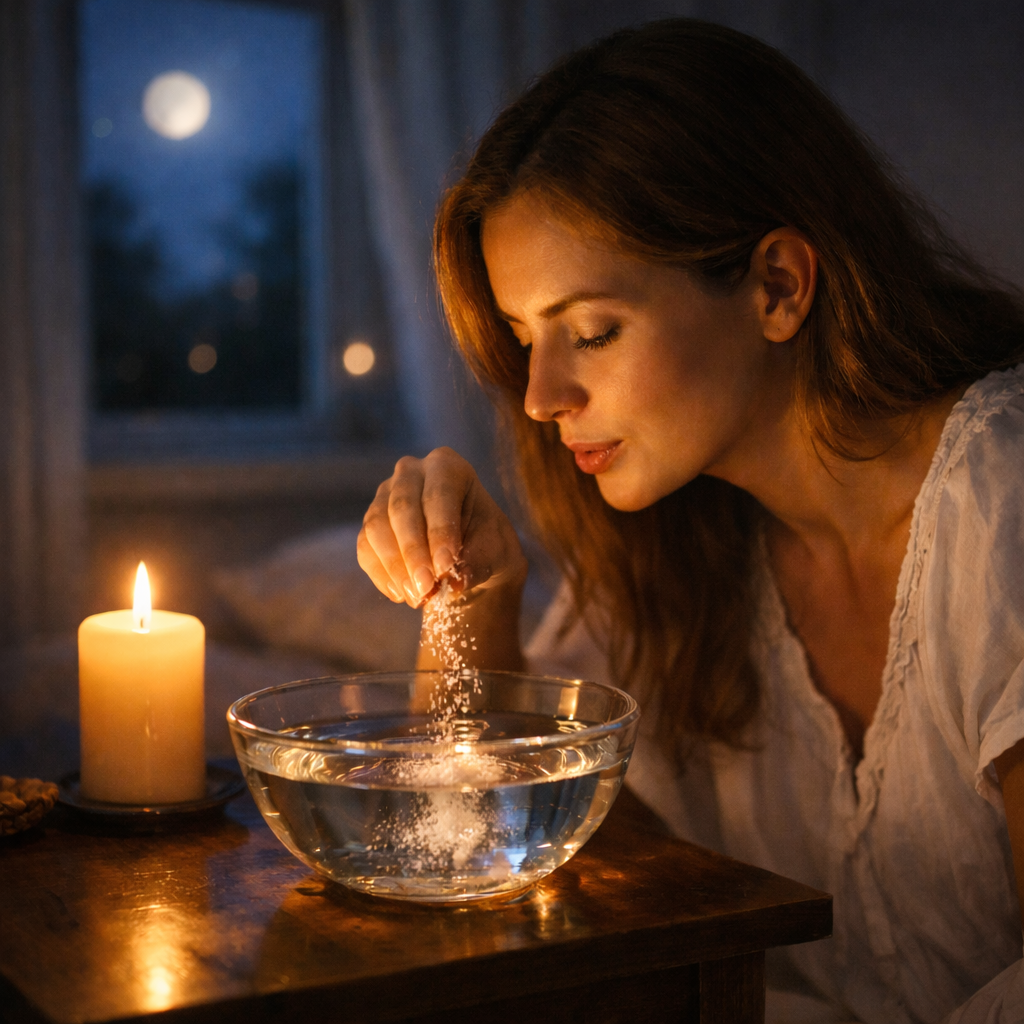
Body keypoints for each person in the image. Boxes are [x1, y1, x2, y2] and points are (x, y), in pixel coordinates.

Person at [356, 19, 1024, 1024]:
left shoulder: (999, 497)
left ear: (777, 286)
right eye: (521, 337)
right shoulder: (678, 551)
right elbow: (482, 864)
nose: (537, 395)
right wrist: (477, 605)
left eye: (591, 331)